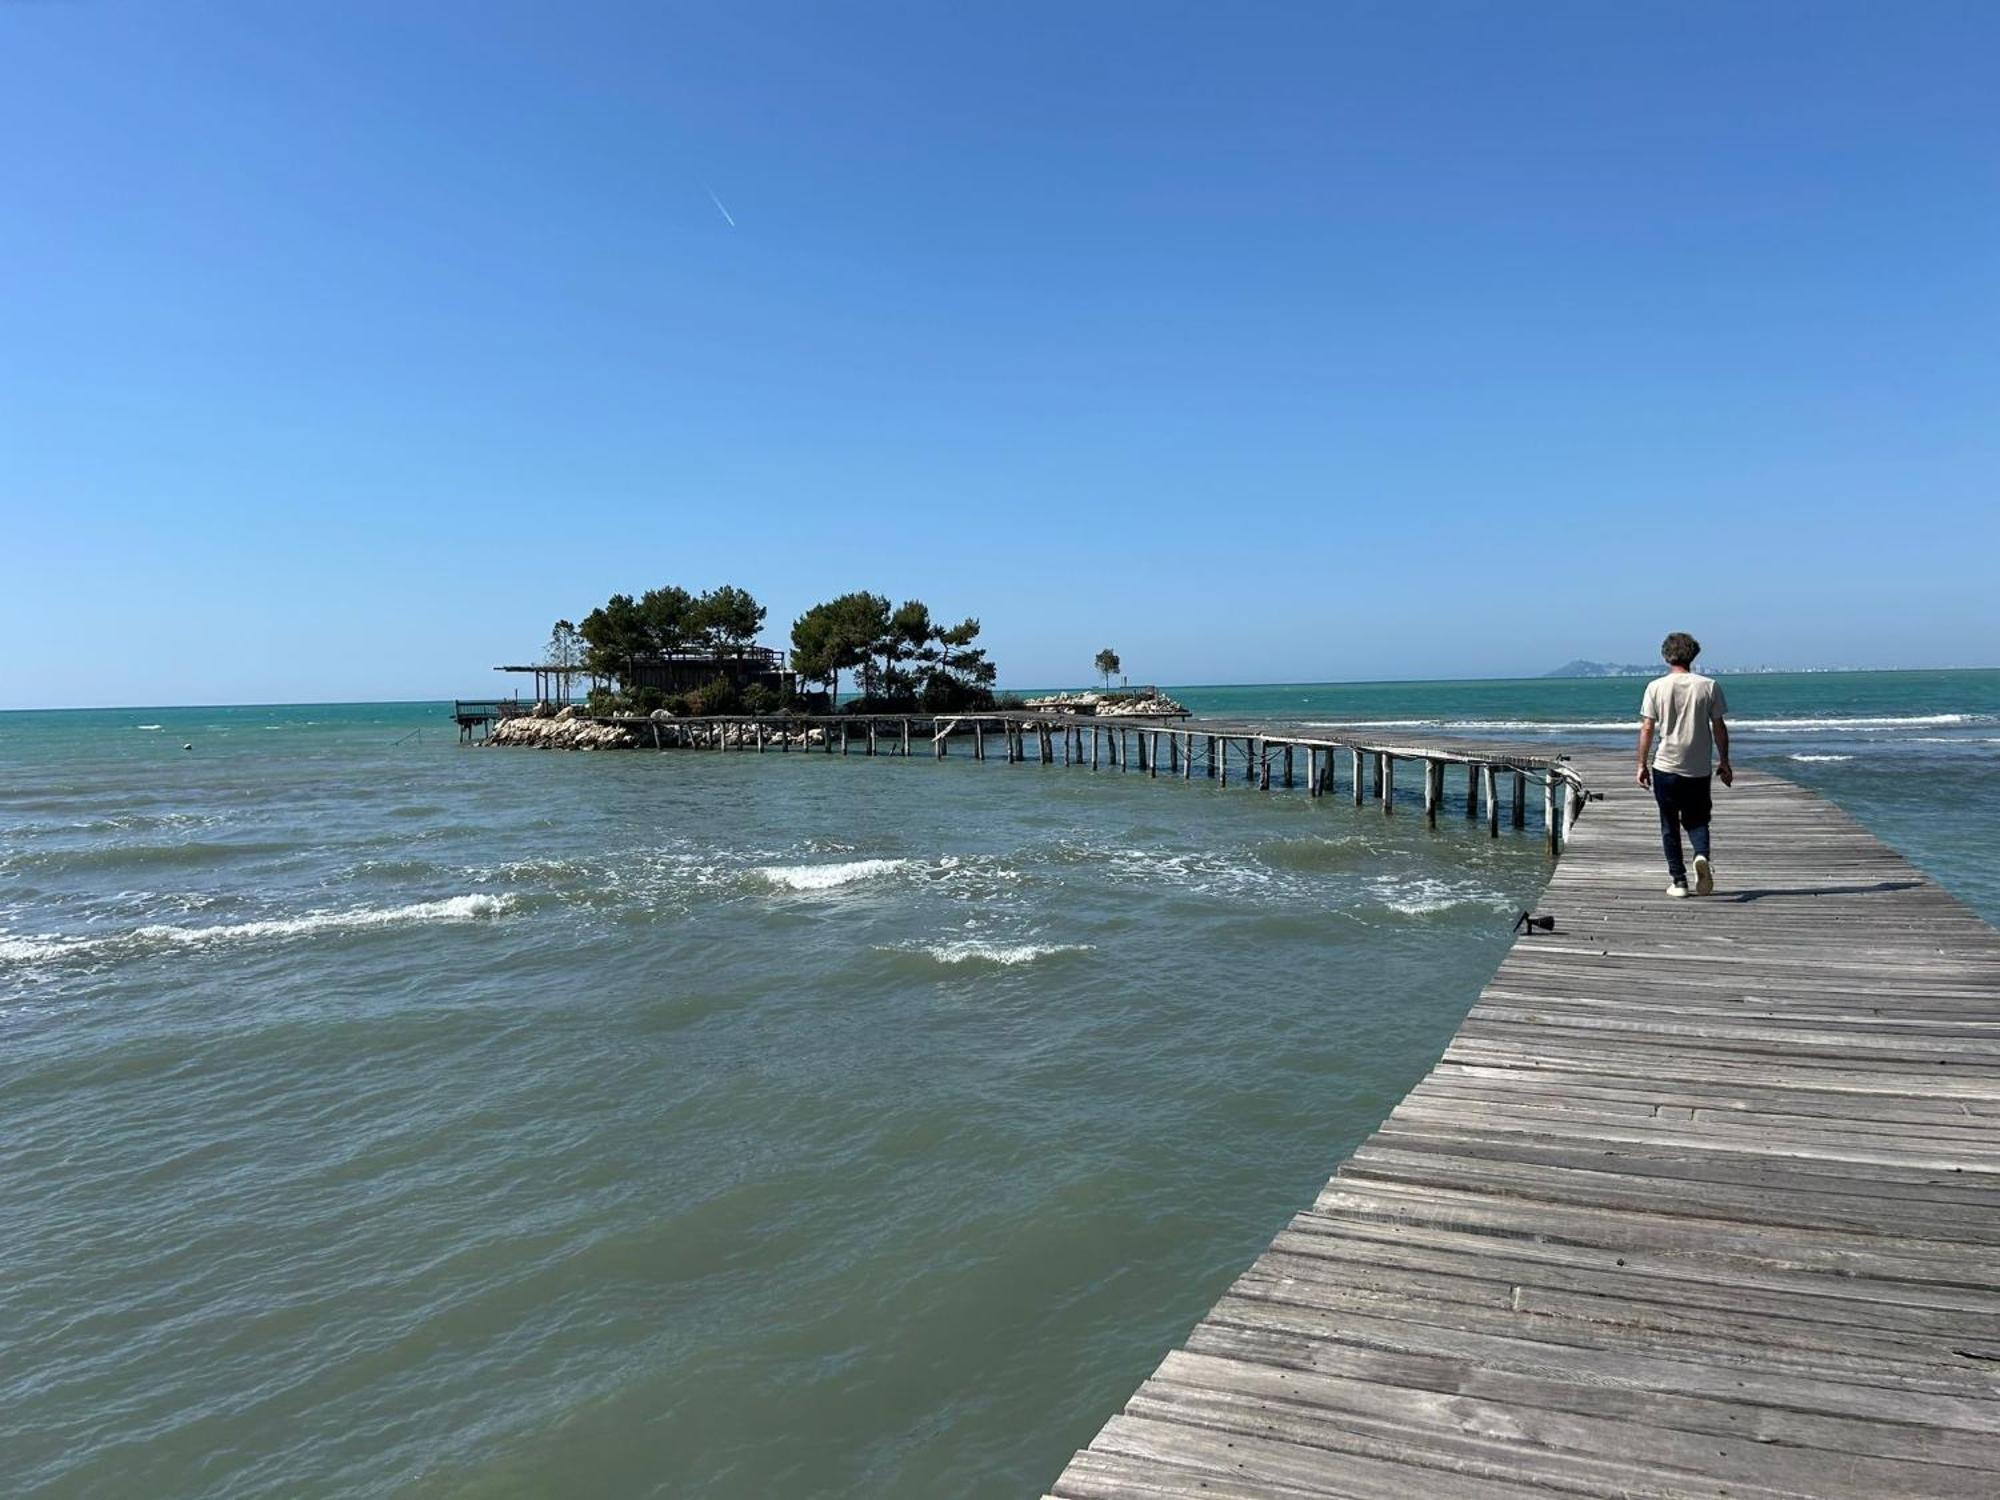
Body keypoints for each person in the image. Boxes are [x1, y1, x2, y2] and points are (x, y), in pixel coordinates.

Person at [1636, 632, 1732, 897]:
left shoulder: (1655, 687)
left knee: (1669, 824)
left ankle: (1679, 881)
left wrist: (1641, 764)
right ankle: (1701, 855)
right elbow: (1719, 727)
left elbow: (1647, 728)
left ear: (1667, 656)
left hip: (1665, 766)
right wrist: (1724, 761)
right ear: (1693, 655)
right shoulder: (1709, 685)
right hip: (1698, 767)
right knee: (1699, 819)